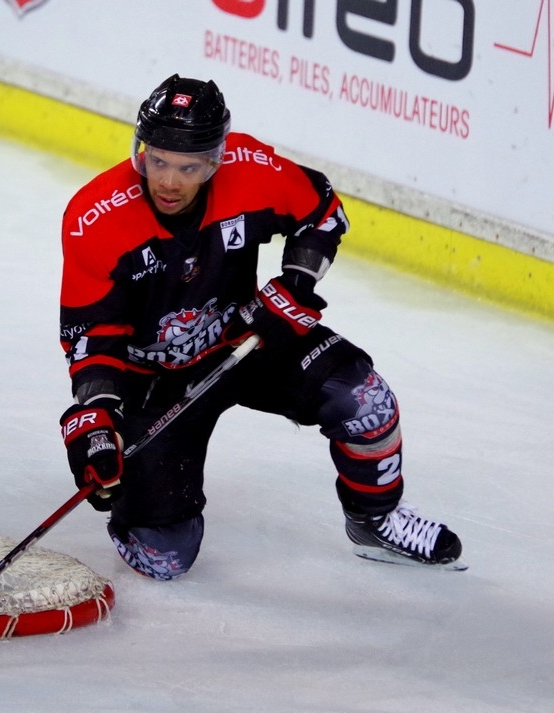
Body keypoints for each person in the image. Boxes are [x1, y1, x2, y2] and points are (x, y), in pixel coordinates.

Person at [58, 74, 462, 580]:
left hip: (249, 339)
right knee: (164, 559)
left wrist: (294, 287)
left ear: (215, 160)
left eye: (187, 167)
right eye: (156, 159)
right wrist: (97, 414)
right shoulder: (95, 219)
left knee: (366, 401)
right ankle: (140, 508)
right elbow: (91, 335)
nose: (167, 180)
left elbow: (322, 210)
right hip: (155, 380)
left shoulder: (250, 169)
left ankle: (374, 522)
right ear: (139, 149)